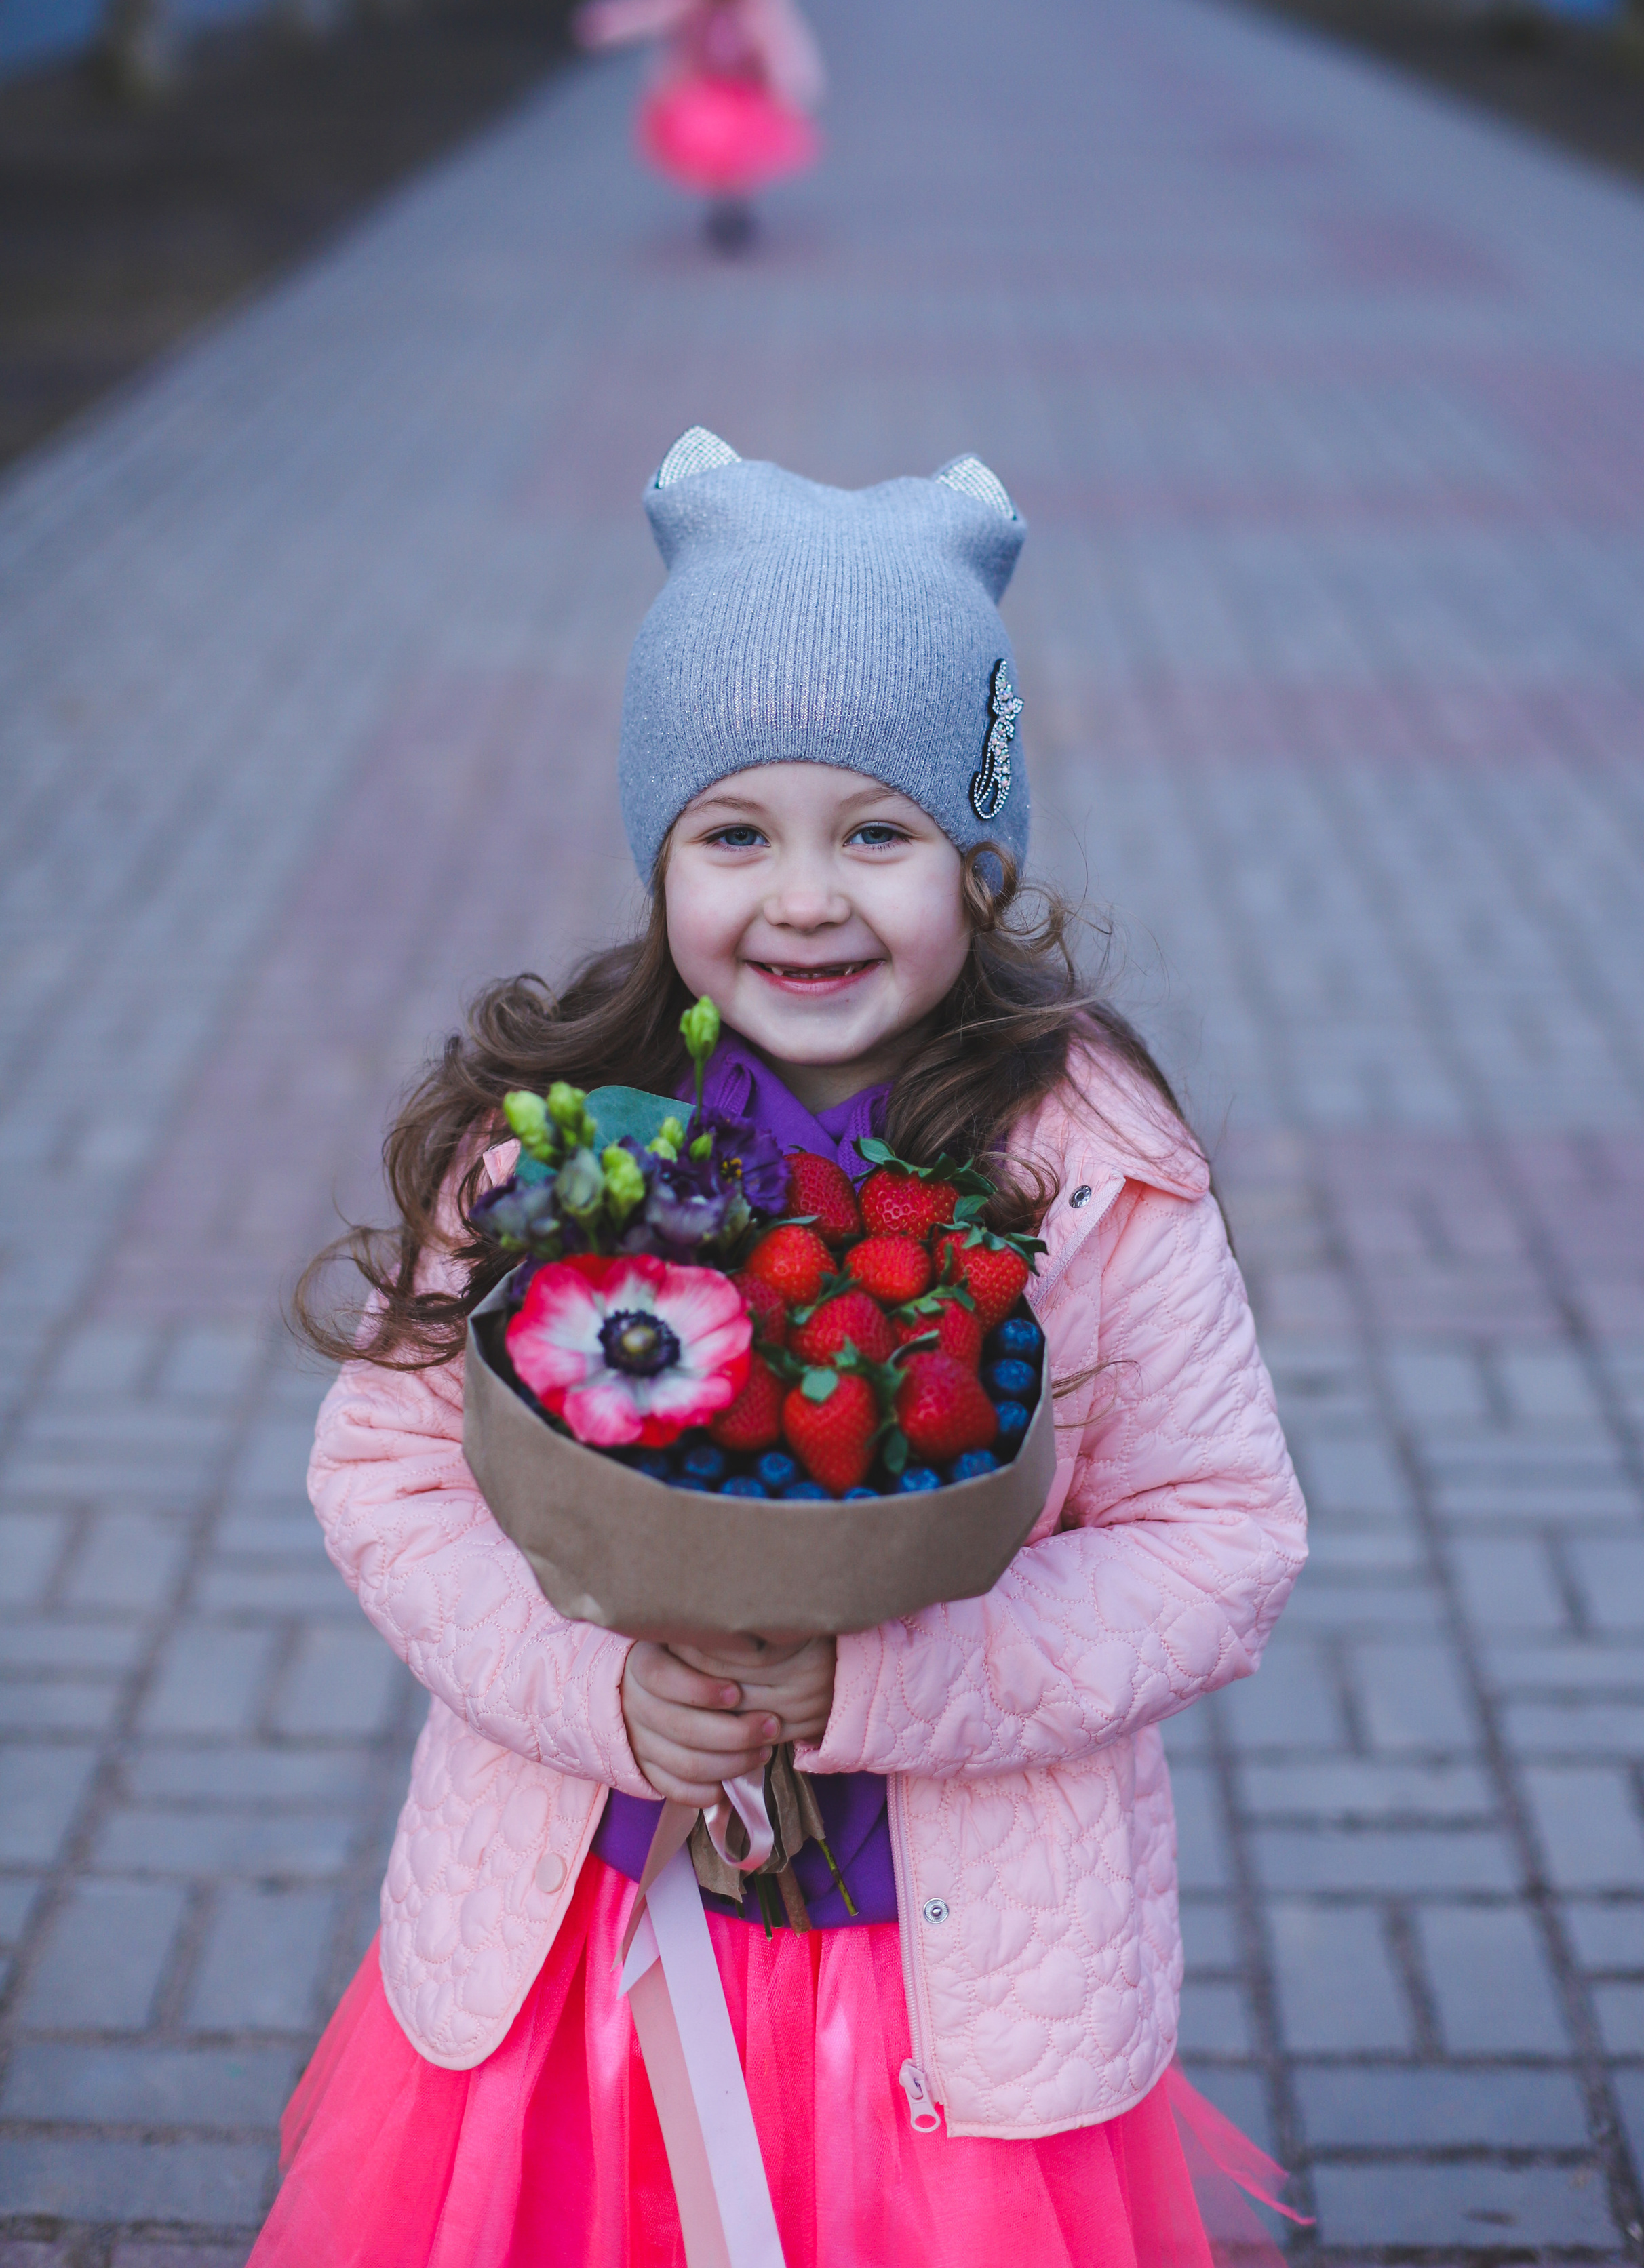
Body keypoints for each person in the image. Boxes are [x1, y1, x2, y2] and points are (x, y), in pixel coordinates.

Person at [252, 429, 1310, 2267]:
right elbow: (392, 1470)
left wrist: (880, 1687)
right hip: (591, 1943)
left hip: (947, 1983)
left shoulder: (1096, 1173)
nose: (805, 898)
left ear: (977, 865)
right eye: (736, 832)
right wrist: (600, 1697)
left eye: (878, 832)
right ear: (657, 852)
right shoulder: (562, 1141)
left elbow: (1221, 1541)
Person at [574, 0, 825, 254]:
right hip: (701, 90)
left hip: (747, 90)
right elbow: (646, 10)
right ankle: (724, 207)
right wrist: (605, 23)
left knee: (740, 155)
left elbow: (785, 39)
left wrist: (798, 79)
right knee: (712, 150)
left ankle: (734, 210)